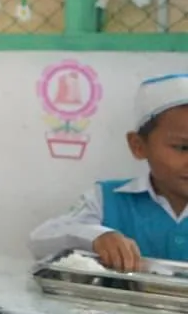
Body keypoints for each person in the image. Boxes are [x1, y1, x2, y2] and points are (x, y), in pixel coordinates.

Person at [30, 74, 188, 269]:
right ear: (138, 146)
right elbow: (40, 240)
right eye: (183, 147)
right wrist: (97, 236)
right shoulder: (107, 200)